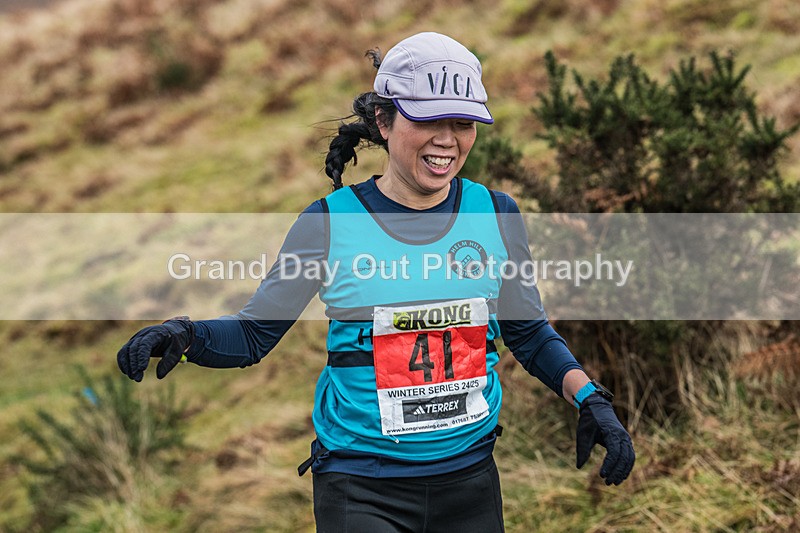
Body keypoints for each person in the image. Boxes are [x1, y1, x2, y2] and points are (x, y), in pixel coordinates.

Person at [117, 31, 634, 532]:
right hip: (361, 488)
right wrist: (184, 336)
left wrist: (591, 399)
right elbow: (254, 335)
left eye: (463, 122)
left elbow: (527, 332)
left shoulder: (496, 213)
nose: (447, 140)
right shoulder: (329, 223)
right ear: (384, 122)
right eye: (429, 120)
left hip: (471, 480)